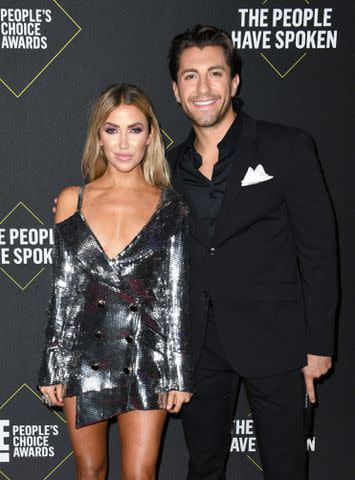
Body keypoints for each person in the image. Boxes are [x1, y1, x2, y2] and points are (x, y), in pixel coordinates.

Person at [166, 25, 338, 479]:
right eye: (190, 76)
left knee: (286, 469)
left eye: (215, 73)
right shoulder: (164, 167)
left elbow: (319, 249)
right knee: (203, 468)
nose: (203, 88)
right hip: (198, 345)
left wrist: (318, 344)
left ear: (234, 82)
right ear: (176, 91)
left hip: (278, 340)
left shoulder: (287, 147)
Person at [38, 83, 194, 480]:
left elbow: (173, 297)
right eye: (112, 130)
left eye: (135, 129)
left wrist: (177, 373)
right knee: (89, 470)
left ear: (151, 136)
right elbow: (64, 293)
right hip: (82, 354)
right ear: (98, 137)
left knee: (140, 473)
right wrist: (53, 365)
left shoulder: (171, 205)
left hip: (146, 356)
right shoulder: (71, 200)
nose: (124, 142)